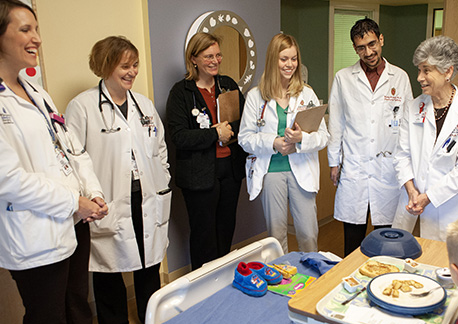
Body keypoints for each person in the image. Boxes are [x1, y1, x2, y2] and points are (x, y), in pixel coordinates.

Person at [0, 0, 116, 324]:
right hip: (35, 233)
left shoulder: (35, 91)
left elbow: (71, 150)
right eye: (25, 29)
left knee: (76, 311)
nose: (36, 38)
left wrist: (93, 194)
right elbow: (9, 180)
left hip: (72, 221)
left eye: (36, 28)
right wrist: (73, 202)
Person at [65, 36, 171, 324]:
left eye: (134, 65)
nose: (132, 71)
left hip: (146, 193)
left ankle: (149, 314)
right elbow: (72, 155)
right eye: (125, 65)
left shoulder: (144, 104)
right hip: (109, 198)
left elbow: (160, 147)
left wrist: (163, 176)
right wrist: (87, 195)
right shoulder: (82, 106)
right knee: (108, 263)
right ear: (106, 66)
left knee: (148, 258)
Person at [327, 18, 413, 257]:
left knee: (386, 237)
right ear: (355, 49)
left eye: (372, 44)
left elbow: (407, 125)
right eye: (361, 47)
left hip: (388, 167)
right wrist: (334, 161)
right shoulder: (344, 78)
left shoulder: (400, 77)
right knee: (352, 237)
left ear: (381, 39)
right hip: (355, 165)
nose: (368, 52)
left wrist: (408, 164)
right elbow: (336, 122)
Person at [239, 33, 328, 253]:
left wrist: (301, 140)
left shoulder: (307, 94)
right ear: (273, 60)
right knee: (276, 236)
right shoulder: (255, 96)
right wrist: (274, 143)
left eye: (294, 59)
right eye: (284, 59)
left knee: (308, 234)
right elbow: (245, 138)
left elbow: (323, 137)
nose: (290, 64)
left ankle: (314, 282)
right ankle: (282, 283)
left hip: (301, 170)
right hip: (271, 171)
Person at [392, 36, 458, 242]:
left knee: (445, 266)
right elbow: (402, 155)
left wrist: (428, 197)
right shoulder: (414, 106)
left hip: (450, 208)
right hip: (411, 201)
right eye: (419, 70)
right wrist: (412, 191)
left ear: (448, 71)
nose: (419, 78)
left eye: (427, 70)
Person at [166, 32, 245, 270]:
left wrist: (230, 130)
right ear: (194, 59)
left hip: (229, 171)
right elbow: (179, 136)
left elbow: (245, 121)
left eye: (218, 55)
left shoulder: (228, 85)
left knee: (225, 228)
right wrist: (214, 134)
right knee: (203, 235)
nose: (215, 60)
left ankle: (223, 281)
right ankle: (202, 288)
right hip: (199, 176)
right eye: (208, 56)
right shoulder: (181, 93)